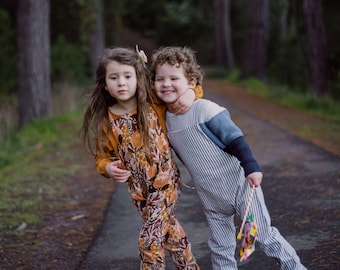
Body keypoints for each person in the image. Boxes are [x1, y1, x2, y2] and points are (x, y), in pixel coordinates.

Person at [149, 46, 307, 270]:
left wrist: (252, 167)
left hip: (241, 187)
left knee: (263, 235)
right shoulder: (166, 121)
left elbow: (236, 140)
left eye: (174, 78)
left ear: (192, 82)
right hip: (210, 195)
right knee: (220, 245)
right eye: (159, 79)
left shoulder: (204, 109)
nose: (165, 84)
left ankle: (295, 267)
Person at [81, 47, 202, 269]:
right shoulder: (107, 120)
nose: (121, 83)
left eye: (128, 76)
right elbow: (102, 157)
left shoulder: (153, 104)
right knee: (171, 235)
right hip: (139, 193)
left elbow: (189, 89)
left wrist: (191, 93)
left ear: (138, 78)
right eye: (114, 77)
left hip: (166, 184)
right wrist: (107, 168)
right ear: (105, 84)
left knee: (150, 241)